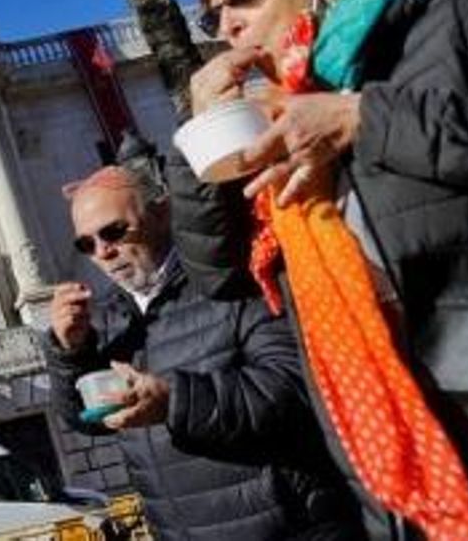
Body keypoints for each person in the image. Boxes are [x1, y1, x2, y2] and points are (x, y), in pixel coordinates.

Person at [174, 0, 468, 535]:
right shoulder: (277, 118)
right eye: (213, 18)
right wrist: (202, 139)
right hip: (392, 454)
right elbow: (218, 275)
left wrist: (363, 117)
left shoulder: (453, 13)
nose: (228, 25)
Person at [48, 166, 362, 538]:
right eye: (86, 244)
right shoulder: (108, 318)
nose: (103, 252)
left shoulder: (234, 278)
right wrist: (70, 351)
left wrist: (174, 400)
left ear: (163, 212)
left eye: (114, 231)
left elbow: (293, 386)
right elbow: (86, 420)